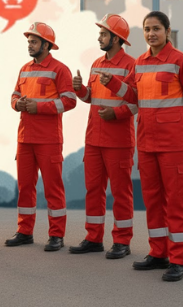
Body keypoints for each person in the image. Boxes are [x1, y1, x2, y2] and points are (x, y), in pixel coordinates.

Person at [98, 11, 183, 281]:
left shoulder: (182, 61)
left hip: (174, 145)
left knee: (176, 202)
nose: (151, 33)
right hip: (146, 143)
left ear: (168, 31)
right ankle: (159, 253)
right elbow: (133, 95)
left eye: (156, 28)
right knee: (153, 201)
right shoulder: (140, 63)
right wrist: (114, 84)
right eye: (146, 29)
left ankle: (179, 260)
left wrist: (178, 124)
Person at [69, 14, 137, 259]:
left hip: (118, 141)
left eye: (104, 34)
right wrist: (79, 89)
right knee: (93, 190)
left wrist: (116, 114)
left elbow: (136, 102)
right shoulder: (96, 63)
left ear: (117, 39)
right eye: (100, 33)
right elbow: (90, 98)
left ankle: (122, 241)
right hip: (94, 139)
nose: (99, 37)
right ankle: (93, 238)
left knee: (121, 192)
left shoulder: (132, 65)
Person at [5, 22, 76, 251]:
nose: (30, 45)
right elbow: (14, 95)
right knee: (25, 187)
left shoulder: (60, 69)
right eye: (29, 41)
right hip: (25, 138)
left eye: (34, 41)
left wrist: (39, 107)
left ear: (47, 45)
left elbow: (70, 101)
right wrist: (18, 104)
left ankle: (57, 235)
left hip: (48, 140)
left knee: (53, 188)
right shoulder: (24, 68)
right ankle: (25, 231)